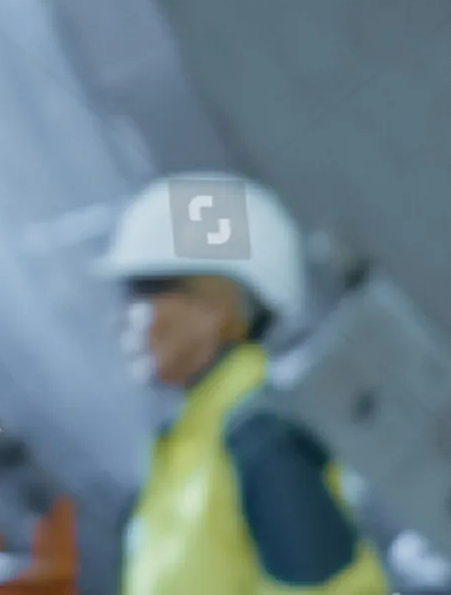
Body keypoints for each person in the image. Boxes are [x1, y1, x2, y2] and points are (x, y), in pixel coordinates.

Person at [99, 173, 388, 595]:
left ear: (217, 305)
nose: (122, 318)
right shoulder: (188, 449)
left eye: (143, 292)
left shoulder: (262, 439)